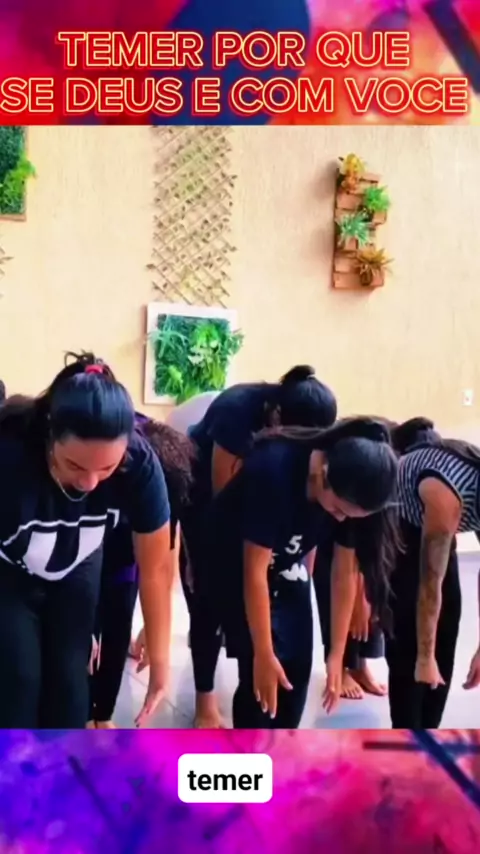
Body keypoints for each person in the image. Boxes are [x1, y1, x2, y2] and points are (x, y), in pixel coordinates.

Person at [0, 352, 173, 729]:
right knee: (18, 682)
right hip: (9, 572)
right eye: (75, 465)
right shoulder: (11, 455)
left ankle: (63, 763)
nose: (89, 482)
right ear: (50, 433)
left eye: (106, 468)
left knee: (71, 686)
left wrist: (160, 661)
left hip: (76, 564)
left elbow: (156, 567)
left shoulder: (139, 464)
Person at [203, 417, 399, 729]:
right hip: (233, 565)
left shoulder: (354, 493)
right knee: (259, 683)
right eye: (337, 510)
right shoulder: (274, 470)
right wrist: (264, 654)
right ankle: (247, 754)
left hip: (286, 566)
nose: (340, 519)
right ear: (323, 473)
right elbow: (254, 571)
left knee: (295, 676)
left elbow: (343, 574)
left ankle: (282, 752)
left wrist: (336, 655)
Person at [182, 365, 339, 727]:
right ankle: (205, 701)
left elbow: (307, 524)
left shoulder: (308, 458)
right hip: (203, 494)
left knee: (265, 605)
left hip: (256, 501)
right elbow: (223, 503)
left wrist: (296, 574)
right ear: (278, 416)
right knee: (207, 600)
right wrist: (200, 559)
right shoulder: (237, 411)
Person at [89, 417, 196, 728]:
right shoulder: (105, 467)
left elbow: (163, 561)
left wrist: (154, 628)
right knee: (78, 645)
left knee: (117, 629)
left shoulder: (170, 480)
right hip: (82, 557)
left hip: (124, 562)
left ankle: (102, 716)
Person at [385, 421, 480, 728]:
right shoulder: (446, 494)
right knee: (411, 653)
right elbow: (429, 586)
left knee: (447, 625)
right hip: (400, 528)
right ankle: (408, 733)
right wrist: (425, 658)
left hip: (439, 529)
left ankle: (429, 733)